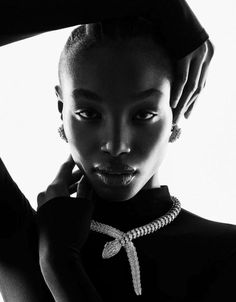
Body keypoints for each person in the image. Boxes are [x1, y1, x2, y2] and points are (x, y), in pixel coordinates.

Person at [0, 5, 217, 302]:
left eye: (143, 114)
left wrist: (59, 264)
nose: (116, 146)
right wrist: (171, 10)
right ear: (61, 109)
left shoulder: (225, 253)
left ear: (178, 109)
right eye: (89, 113)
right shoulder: (20, 240)